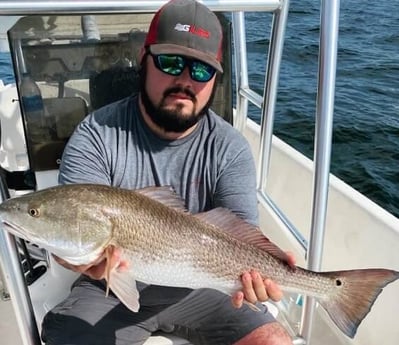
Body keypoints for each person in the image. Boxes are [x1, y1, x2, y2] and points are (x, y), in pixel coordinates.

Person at [41, 1, 294, 344]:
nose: (185, 80)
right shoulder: (96, 134)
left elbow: (240, 235)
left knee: (273, 340)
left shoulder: (229, 147)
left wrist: (264, 272)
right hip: (107, 289)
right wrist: (79, 262)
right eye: (171, 62)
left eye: (201, 71)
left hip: (206, 288)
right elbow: (73, 229)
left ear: (214, 80)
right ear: (144, 60)